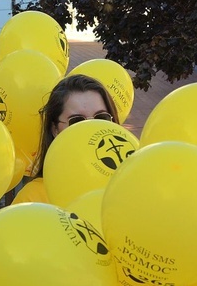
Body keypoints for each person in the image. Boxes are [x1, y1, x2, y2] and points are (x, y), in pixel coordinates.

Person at [13, 74, 119, 204]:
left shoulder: (127, 185)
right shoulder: (32, 199)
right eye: (77, 121)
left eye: (101, 118)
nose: (91, 128)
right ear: (55, 129)